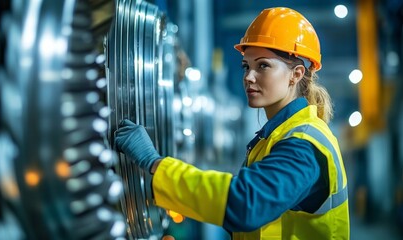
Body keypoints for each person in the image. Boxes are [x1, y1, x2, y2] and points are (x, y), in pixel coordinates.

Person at [115, 7, 349, 240]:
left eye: (263, 65)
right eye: (246, 66)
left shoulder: (303, 145)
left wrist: (155, 163)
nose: (249, 76)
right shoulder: (277, 137)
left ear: (296, 74)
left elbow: (245, 205)